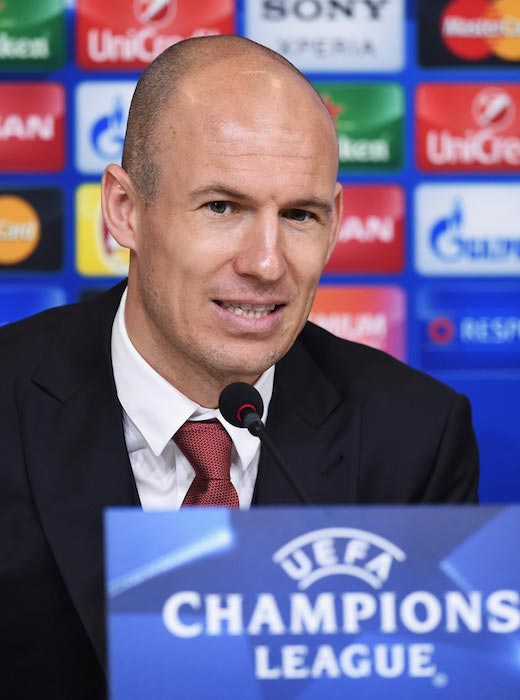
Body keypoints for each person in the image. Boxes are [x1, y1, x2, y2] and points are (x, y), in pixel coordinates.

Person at [0, 36, 478, 698]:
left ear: (336, 222)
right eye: (223, 207)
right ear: (124, 210)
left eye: (300, 215)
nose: (265, 262)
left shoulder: (416, 437)